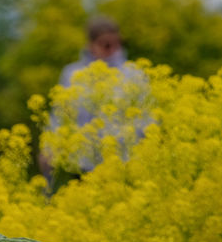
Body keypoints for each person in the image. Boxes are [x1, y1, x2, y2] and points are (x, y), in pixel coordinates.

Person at [40, 15, 150, 189]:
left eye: (118, 43)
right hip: (84, 164)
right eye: (106, 44)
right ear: (91, 45)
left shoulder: (134, 74)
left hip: (123, 163)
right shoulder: (73, 73)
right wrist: (49, 147)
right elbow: (61, 114)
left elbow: (147, 117)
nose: (113, 49)